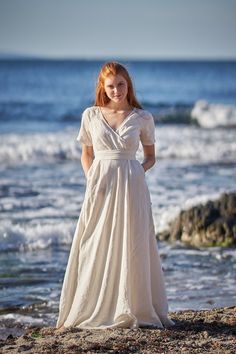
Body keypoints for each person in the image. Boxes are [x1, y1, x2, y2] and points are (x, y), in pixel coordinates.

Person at [56, 61, 175, 330]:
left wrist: (136, 173)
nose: (116, 90)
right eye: (110, 86)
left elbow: (150, 157)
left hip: (132, 187)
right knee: (94, 241)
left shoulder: (142, 117)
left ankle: (131, 306)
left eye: (121, 84)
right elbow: (86, 154)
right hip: (100, 186)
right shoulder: (91, 115)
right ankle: (87, 307)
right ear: (103, 87)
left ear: (128, 84)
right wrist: (92, 180)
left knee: (132, 242)